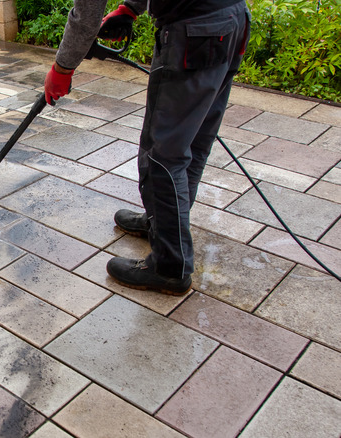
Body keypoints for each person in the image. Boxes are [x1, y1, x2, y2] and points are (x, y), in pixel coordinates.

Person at [44, 0, 250, 295]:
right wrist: (130, 7)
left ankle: (169, 267)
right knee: (192, 139)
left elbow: (87, 17)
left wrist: (63, 67)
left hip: (195, 30)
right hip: (230, 19)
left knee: (164, 155)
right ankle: (163, 224)